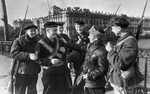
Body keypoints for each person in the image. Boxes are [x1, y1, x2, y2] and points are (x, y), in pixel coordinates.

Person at [62, 25, 109, 94]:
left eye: (90, 35)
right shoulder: (91, 45)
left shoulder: (101, 51)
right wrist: (65, 42)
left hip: (95, 85)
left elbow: (103, 70)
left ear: (95, 38)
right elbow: (79, 48)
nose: (88, 36)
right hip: (89, 83)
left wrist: (89, 75)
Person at [105, 16, 139, 94]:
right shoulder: (124, 40)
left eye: (112, 27)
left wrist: (110, 51)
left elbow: (120, 63)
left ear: (119, 28)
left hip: (124, 83)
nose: (111, 29)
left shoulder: (129, 42)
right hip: (119, 81)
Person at [35, 21, 69, 94]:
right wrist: (50, 61)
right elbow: (37, 59)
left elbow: (67, 49)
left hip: (61, 72)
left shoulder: (59, 40)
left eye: (56, 30)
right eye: (54, 30)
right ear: (47, 30)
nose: (56, 32)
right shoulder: (40, 43)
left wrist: (64, 50)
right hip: (49, 73)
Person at [10, 24, 41, 94]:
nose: (33, 32)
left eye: (34, 31)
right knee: (20, 91)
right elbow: (13, 53)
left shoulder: (38, 40)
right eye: (31, 31)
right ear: (26, 31)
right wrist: (28, 56)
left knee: (32, 91)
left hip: (34, 70)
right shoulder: (19, 40)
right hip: (22, 71)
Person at [67, 20, 90, 94]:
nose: (78, 28)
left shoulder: (89, 36)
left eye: (80, 26)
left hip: (86, 60)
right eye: (77, 27)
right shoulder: (73, 37)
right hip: (76, 61)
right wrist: (68, 60)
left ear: (84, 26)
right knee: (78, 78)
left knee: (84, 79)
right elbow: (69, 49)